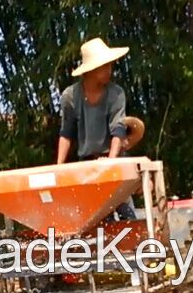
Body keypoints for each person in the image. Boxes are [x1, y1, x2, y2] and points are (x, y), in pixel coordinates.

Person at [57, 37, 136, 220]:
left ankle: (135, 245)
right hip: (88, 165)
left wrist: (110, 163)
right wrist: (59, 168)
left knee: (126, 214)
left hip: (112, 160)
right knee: (97, 218)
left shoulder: (116, 94)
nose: (110, 70)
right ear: (91, 71)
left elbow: (118, 129)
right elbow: (66, 133)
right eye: (104, 66)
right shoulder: (70, 96)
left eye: (110, 65)